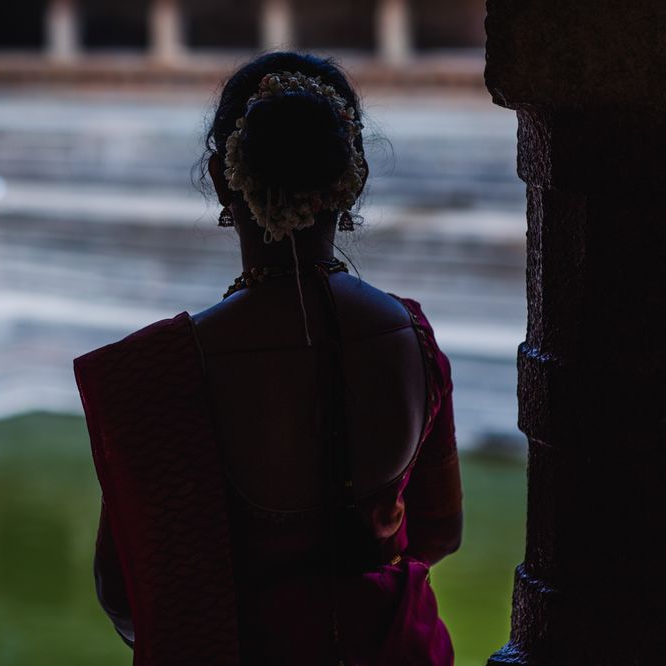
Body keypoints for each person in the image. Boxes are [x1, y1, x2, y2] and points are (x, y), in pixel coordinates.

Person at [74, 51, 463, 666]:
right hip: (397, 646)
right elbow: (440, 531)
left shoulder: (160, 370)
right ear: (352, 178)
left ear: (224, 177)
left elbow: (123, 594)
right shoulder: (410, 334)